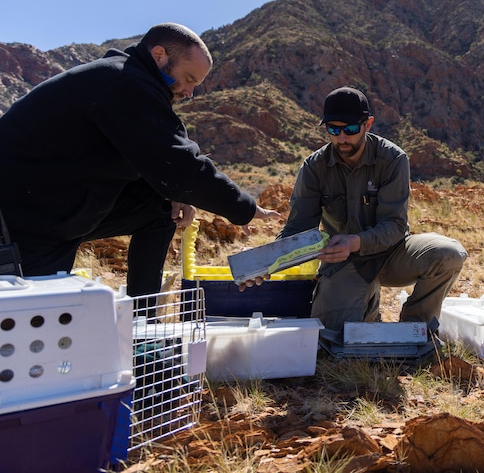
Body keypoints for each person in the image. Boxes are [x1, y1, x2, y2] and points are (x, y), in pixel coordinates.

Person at [0, 23, 280, 296]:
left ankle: (142, 318)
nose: (189, 92)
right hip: (19, 223)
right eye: (189, 78)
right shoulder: (122, 82)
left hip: (53, 213)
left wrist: (173, 192)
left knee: (161, 209)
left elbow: (157, 161)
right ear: (159, 55)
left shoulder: (127, 83)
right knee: (31, 324)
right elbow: (179, 163)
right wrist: (244, 207)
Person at [249, 86, 467, 331]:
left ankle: (416, 329)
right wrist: (266, 262)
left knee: (448, 254)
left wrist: (354, 242)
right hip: (344, 262)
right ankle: (369, 310)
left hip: (392, 254)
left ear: (368, 124)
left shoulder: (393, 160)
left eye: (350, 129)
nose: (342, 138)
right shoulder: (314, 167)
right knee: (331, 336)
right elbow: (299, 227)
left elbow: (394, 226)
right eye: (333, 129)